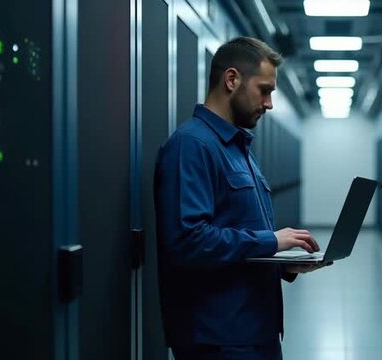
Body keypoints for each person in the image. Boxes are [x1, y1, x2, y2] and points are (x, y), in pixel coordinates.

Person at [154, 37, 326, 359]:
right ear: (231, 79)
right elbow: (188, 241)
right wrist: (271, 241)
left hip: (255, 330)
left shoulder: (238, 149)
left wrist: (284, 263)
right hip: (219, 339)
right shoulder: (191, 145)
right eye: (264, 90)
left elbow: (239, 234)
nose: (269, 103)